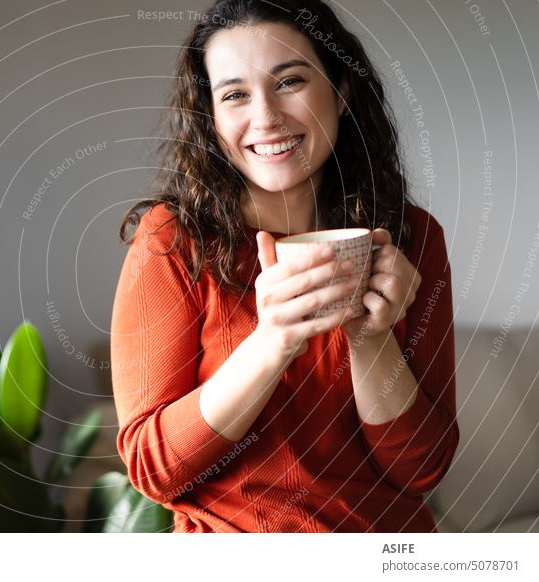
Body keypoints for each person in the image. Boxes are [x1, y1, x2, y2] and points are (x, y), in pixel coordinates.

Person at [110, 0, 458, 532]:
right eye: (234, 95)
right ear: (213, 117)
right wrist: (272, 343)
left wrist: (370, 337)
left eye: (290, 81)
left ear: (340, 90)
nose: (266, 117)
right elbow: (154, 471)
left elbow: (421, 471)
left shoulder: (412, 237)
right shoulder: (173, 240)